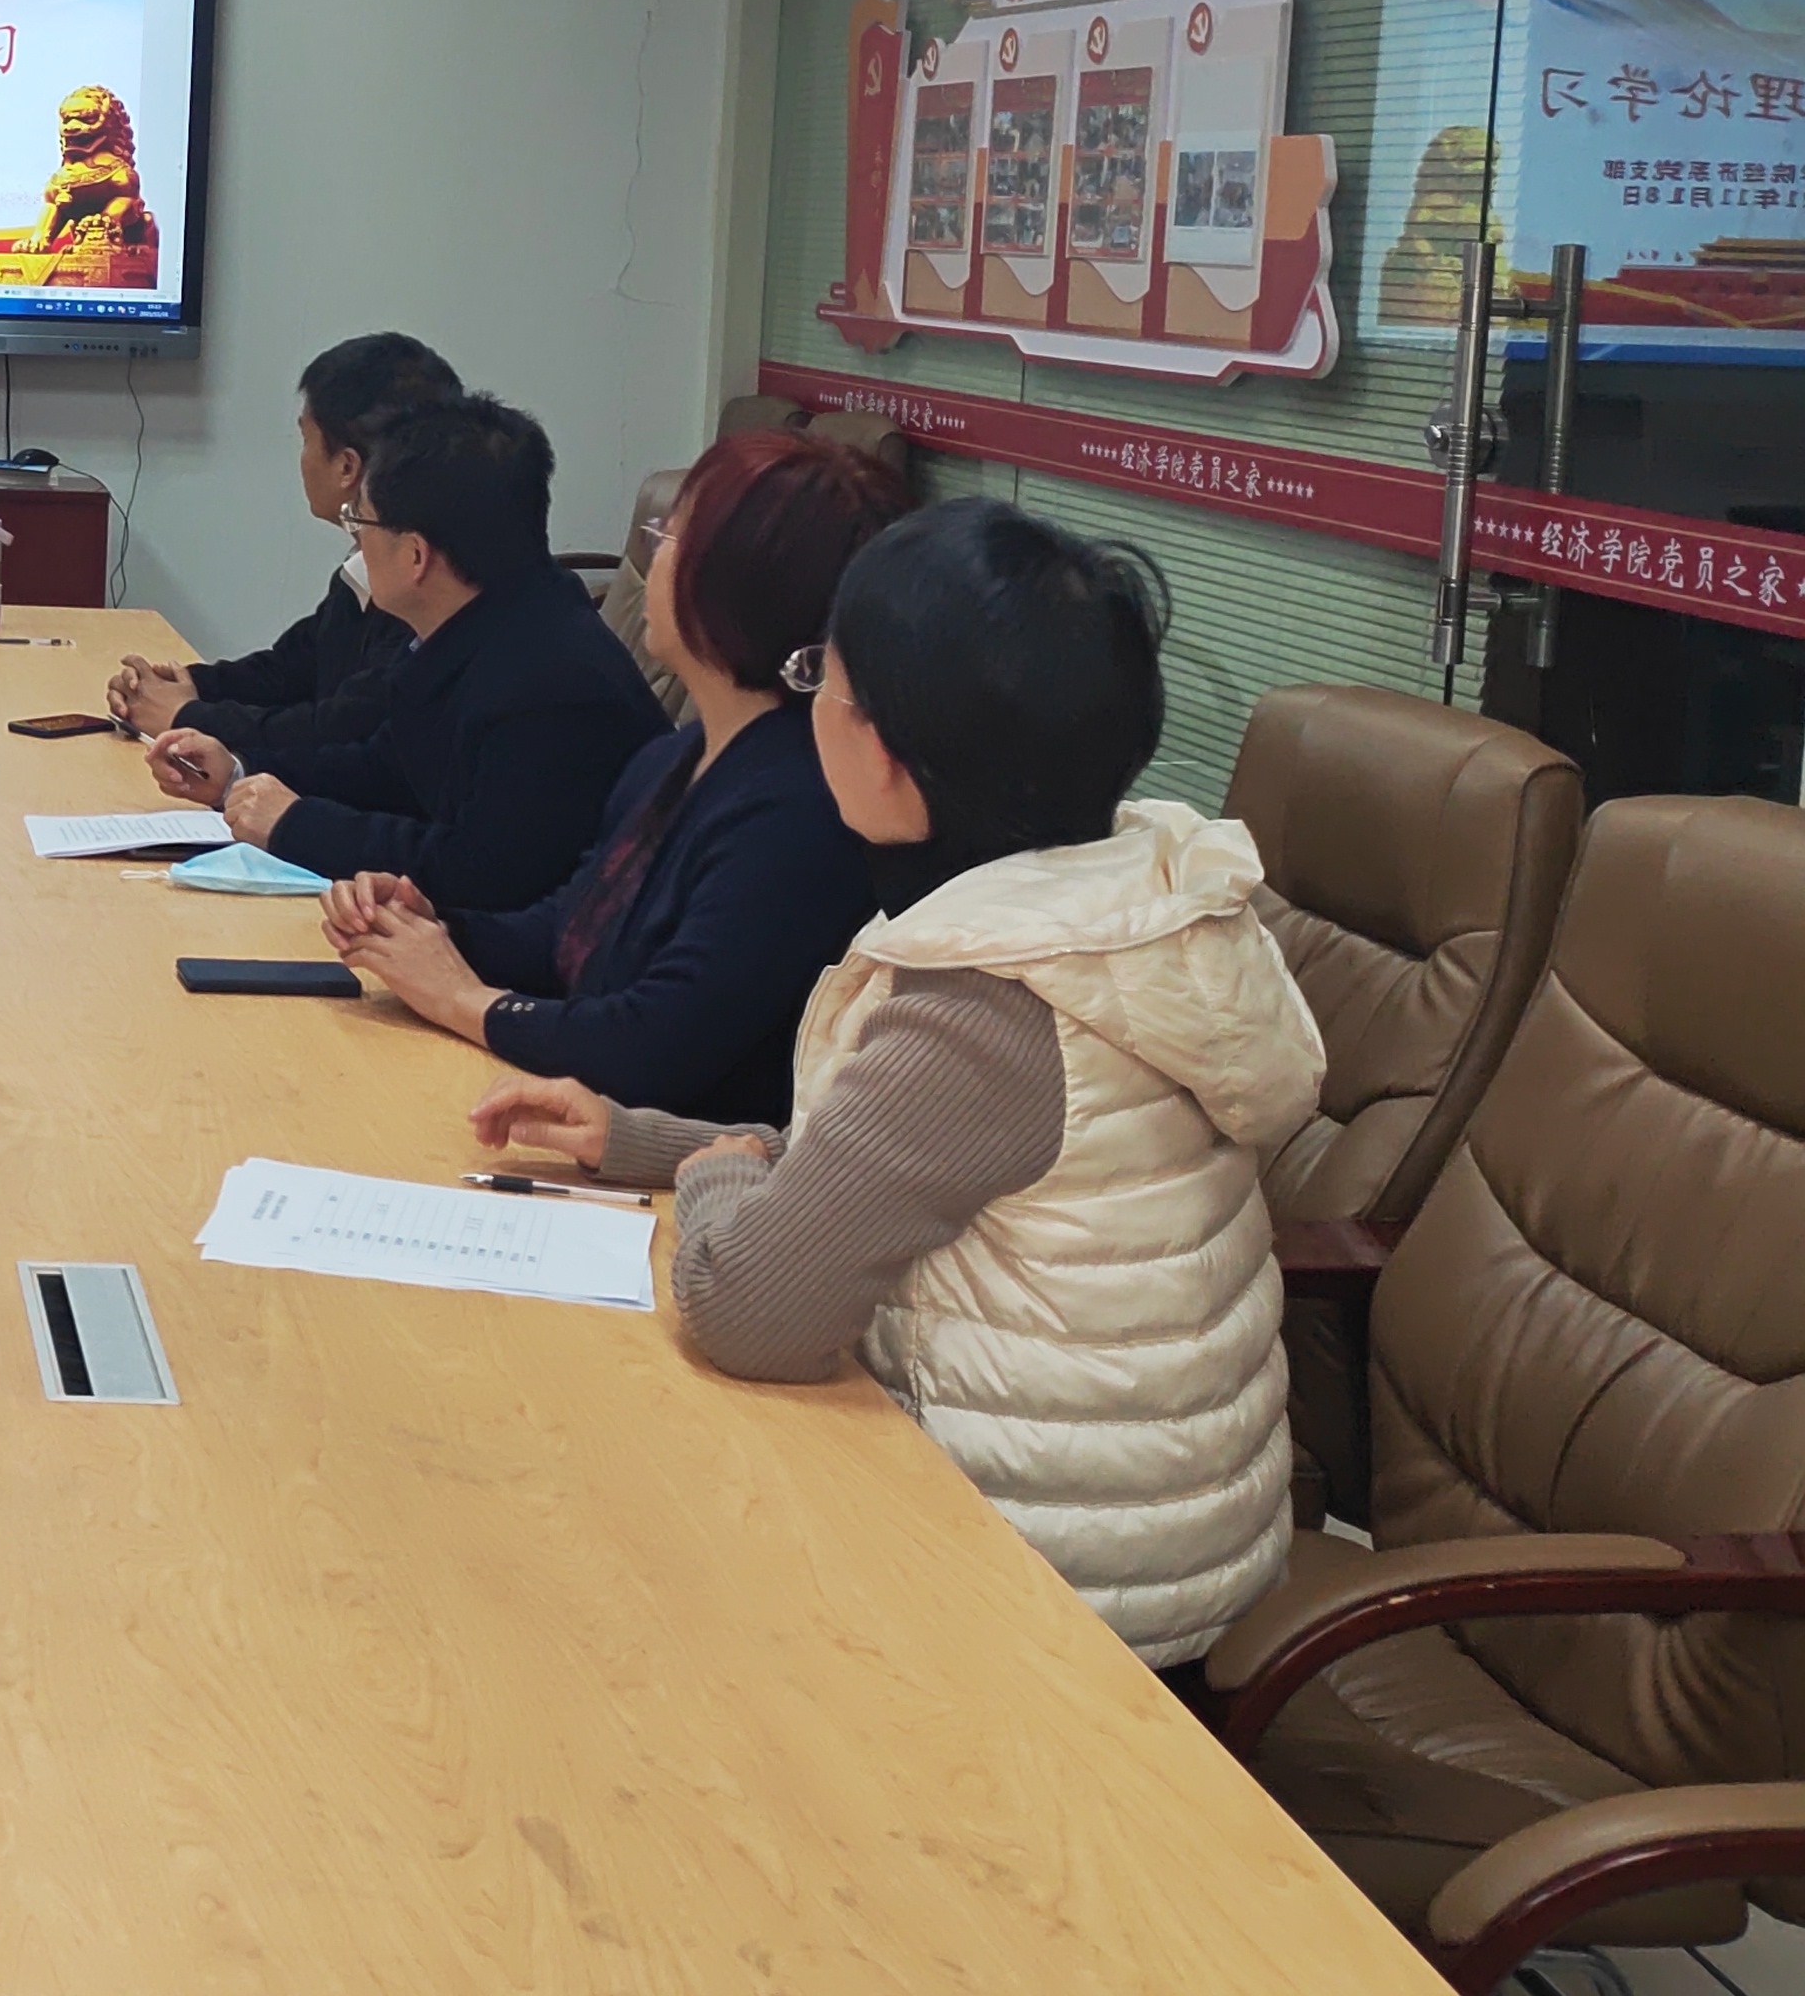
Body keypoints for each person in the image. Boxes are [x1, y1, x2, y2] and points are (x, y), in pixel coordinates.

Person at [468, 500, 1323, 1670]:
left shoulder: (987, 1008)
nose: (808, 700)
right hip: (1149, 1534)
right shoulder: (1112, 915)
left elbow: (746, 1310)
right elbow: (900, 1158)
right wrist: (642, 1139)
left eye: (825, 676)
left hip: (1047, 1601)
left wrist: (717, 1182)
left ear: (886, 754)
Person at [320, 430, 900, 1127]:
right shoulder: (680, 755)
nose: (649, 558)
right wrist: (427, 925)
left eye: (669, 539)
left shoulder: (799, 808)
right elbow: (568, 931)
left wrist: (464, 1000)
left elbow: (652, 1045)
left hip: (681, 1165)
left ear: (729, 584)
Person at [143, 392, 662, 907]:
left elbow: (483, 874)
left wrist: (296, 825)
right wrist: (238, 772)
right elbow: (386, 769)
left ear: (416, 555)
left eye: (360, 522)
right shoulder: (478, 626)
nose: (356, 541)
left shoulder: (551, 685)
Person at [107, 331, 459, 760]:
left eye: (306, 439)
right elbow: (289, 671)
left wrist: (188, 715)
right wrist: (176, 686)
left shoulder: (422, 593)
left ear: (347, 466)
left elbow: (340, 727)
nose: (302, 459)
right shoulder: (363, 572)